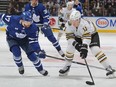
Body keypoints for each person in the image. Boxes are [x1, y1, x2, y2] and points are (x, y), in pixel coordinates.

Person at [59, 10, 115, 77]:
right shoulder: (68, 24)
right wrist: (76, 45)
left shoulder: (84, 25)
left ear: (79, 19)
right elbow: (69, 37)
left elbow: (87, 37)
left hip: (92, 34)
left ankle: (108, 68)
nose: (73, 22)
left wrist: (84, 48)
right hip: (78, 36)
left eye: (75, 20)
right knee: (70, 47)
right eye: (71, 20)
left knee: (95, 50)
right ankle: (67, 66)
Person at [0, 11, 48, 76]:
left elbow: (34, 41)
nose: (28, 24)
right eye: (26, 21)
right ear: (22, 19)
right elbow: (1, 16)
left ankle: (41, 70)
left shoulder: (33, 28)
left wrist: (38, 51)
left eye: (30, 21)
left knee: (32, 56)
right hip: (12, 38)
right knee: (16, 52)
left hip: (25, 40)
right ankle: (20, 66)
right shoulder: (13, 19)